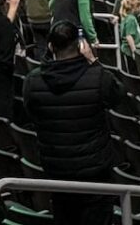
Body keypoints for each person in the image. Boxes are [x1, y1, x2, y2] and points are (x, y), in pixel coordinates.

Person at [22, 20, 123, 225]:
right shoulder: (98, 76)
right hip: (95, 172)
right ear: (80, 46)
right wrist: (94, 61)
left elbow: (31, 114)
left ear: (50, 47)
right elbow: (118, 97)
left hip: (57, 170)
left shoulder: (32, 81)